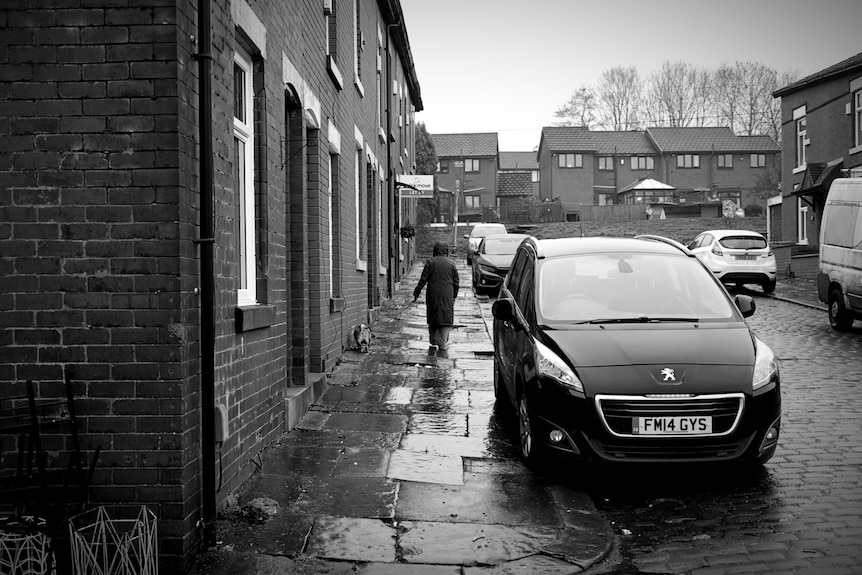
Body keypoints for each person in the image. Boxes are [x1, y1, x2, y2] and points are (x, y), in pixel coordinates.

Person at [413, 241, 459, 352]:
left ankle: (433, 340)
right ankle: (442, 342)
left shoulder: (430, 262)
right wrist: (454, 296)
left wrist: (416, 293)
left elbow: (423, 280)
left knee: (433, 315)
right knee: (445, 317)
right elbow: (456, 282)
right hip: (447, 294)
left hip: (432, 294)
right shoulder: (451, 264)